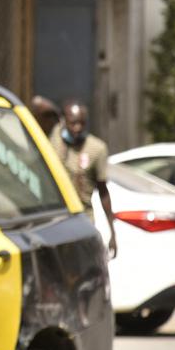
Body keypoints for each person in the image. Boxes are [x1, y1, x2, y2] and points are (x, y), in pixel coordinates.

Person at [49, 100, 118, 259]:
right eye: (73, 123)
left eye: (82, 123)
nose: (77, 128)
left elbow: (103, 192)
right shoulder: (54, 138)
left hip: (82, 220)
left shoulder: (96, 148)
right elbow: (37, 104)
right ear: (64, 121)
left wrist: (112, 233)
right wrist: (56, 113)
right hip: (56, 220)